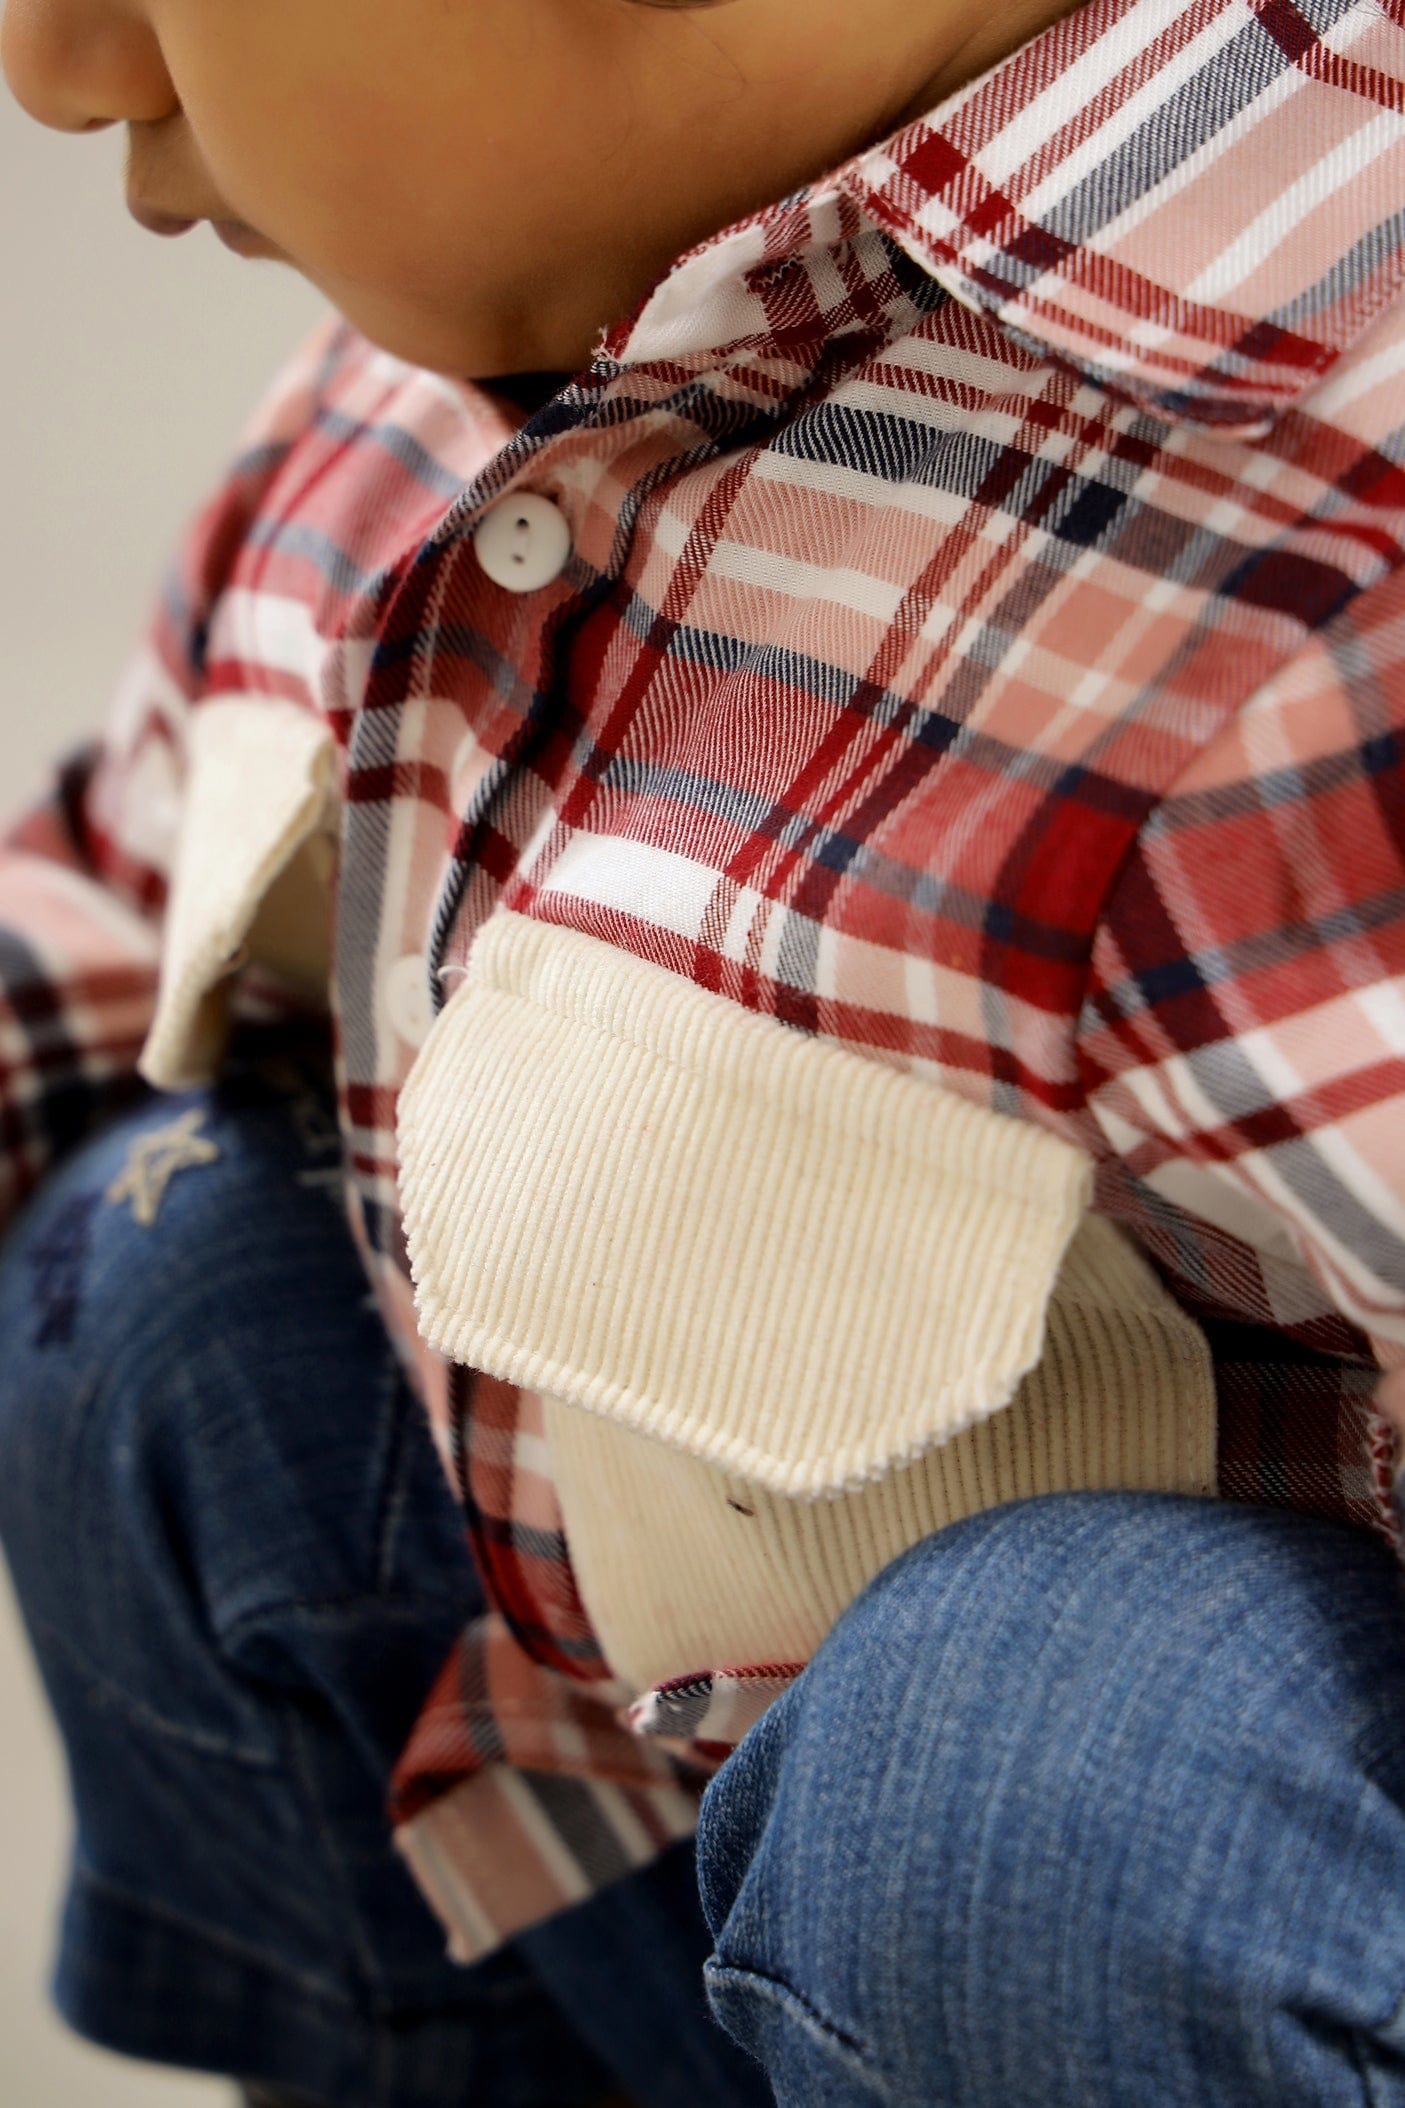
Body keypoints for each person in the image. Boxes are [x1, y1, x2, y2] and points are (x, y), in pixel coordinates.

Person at [1, 0, 1404, 2100]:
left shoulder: (1324, 581)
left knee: (1042, 1749)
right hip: (691, 1833)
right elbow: (103, 909)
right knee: (159, 1267)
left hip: (1107, 1925)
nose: (57, 58)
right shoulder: (446, 378)